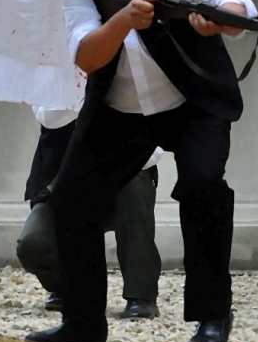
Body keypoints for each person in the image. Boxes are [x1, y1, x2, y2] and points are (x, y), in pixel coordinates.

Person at [26, 0, 256, 342]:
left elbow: (234, 4)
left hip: (192, 103)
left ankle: (212, 318)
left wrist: (222, 17)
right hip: (119, 109)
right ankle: (83, 323)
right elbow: (87, 56)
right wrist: (122, 20)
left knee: (203, 186)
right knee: (70, 202)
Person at [17, 104, 162, 318]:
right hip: (61, 179)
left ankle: (141, 295)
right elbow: (49, 117)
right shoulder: (55, 74)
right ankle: (67, 286)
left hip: (120, 175)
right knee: (32, 244)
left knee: (134, 187)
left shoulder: (130, 79)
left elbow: (152, 153)